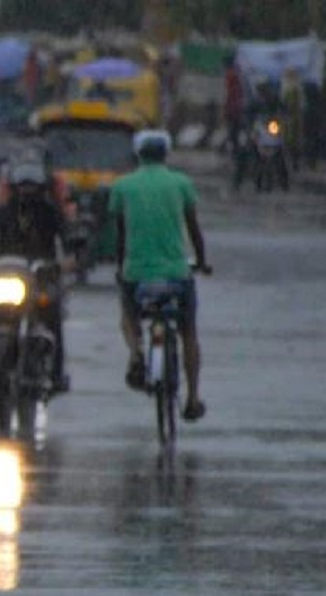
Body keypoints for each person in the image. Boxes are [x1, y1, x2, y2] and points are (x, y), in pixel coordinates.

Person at [109, 130, 211, 422]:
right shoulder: (181, 183)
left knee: (128, 315)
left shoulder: (123, 186)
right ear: (166, 154)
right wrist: (201, 263)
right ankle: (192, 398)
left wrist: (122, 267)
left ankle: (136, 351)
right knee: (188, 331)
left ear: (138, 155)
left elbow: (120, 234)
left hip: (136, 273)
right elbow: (194, 230)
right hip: (177, 273)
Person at [0, 160, 71, 394]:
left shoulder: (50, 214)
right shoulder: (2, 213)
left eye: (32, 188)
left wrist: (70, 258)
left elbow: (68, 238)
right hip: (4, 276)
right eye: (22, 187)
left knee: (52, 313)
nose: (27, 193)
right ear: (13, 188)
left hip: (41, 277)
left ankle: (56, 373)